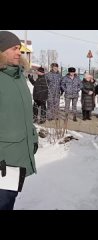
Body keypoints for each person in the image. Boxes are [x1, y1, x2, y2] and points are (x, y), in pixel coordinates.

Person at [0, 31, 38, 210]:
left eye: (20, 50)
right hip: (3, 160)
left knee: (9, 201)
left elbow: (22, 114)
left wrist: (33, 136)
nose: (19, 53)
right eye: (14, 49)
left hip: (18, 155)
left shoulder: (19, 76)